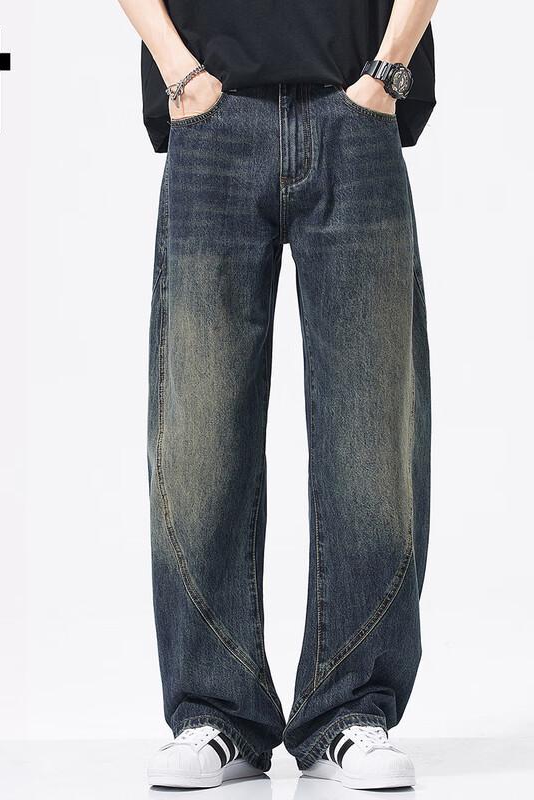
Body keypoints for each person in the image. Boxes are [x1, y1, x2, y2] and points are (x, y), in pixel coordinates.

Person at [117, 0, 438, 790]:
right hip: (210, 113)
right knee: (199, 437)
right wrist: (177, 70)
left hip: (357, 105)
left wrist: (388, 70)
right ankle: (213, 712)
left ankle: (350, 710)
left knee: (372, 434)